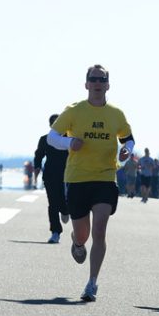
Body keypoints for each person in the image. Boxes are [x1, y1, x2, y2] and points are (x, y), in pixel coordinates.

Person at [47, 64, 134, 302]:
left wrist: (126, 151)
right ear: (86, 84)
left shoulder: (116, 114)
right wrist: (69, 142)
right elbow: (52, 137)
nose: (97, 83)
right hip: (77, 178)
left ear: (108, 85)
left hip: (105, 177)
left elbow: (129, 139)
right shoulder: (74, 110)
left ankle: (92, 283)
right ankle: (76, 241)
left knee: (100, 231)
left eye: (101, 79)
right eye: (93, 79)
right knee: (83, 234)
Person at [33, 113, 69, 243]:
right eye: (53, 123)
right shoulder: (45, 139)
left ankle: (65, 211)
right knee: (52, 203)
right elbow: (38, 156)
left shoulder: (69, 139)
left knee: (64, 202)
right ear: (50, 126)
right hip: (50, 175)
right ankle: (55, 232)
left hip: (68, 175)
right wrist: (36, 173)